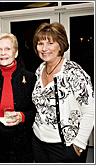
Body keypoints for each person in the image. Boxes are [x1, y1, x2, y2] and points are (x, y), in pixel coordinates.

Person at [32, 22, 94, 163]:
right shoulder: (40, 69)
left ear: (60, 45)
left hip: (65, 147)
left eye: (50, 43)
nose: (44, 48)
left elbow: (90, 110)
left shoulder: (74, 72)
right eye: (40, 43)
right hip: (38, 142)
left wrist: (79, 145)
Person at [0, 32, 36, 163]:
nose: (3, 53)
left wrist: (22, 116)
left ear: (15, 53)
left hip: (21, 142)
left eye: (8, 49)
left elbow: (36, 111)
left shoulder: (30, 78)